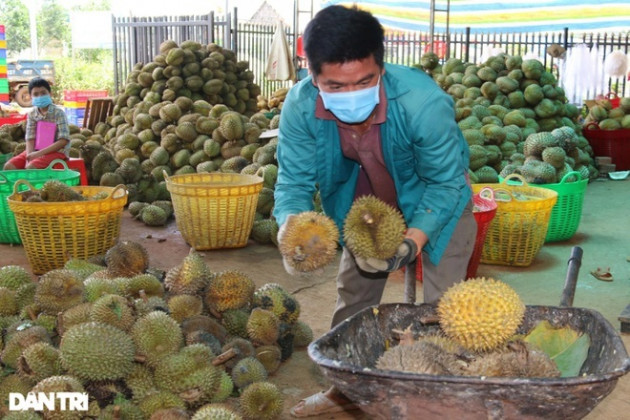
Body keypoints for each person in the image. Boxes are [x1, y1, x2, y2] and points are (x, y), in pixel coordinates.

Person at [273, 5, 477, 417]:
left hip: (439, 202)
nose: (351, 94)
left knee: (444, 308)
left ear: (381, 68)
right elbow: (293, 183)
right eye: (335, 85)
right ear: (313, 77)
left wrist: (411, 244)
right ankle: (344, 390)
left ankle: (441, 398)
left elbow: (445, 182)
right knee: (354, 300)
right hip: (364, 208)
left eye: (364, 81)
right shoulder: (299, 106)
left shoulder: (423, 102)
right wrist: (289, 228)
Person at [3, 77, 70, 170]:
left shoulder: (58, 113)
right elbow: (30, 138)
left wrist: (38, 154)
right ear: (30, 97)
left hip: (58, 152)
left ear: (50, 94)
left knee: (31, 167)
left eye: (43, 93)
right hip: (35, 150)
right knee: (8, 166)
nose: (40, 96)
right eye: (36, 94)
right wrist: (29, 157)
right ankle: (20, 184)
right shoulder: (32, 114)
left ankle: (34, 184)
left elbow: (64, 140)